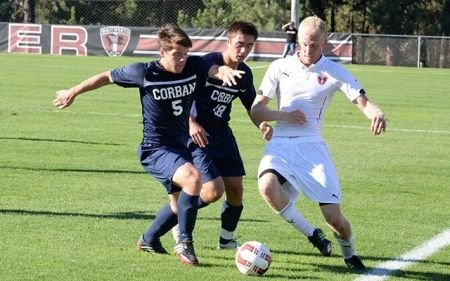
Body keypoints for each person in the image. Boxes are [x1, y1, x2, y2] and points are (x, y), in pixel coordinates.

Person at [52, 23, 244, 266]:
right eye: (177, 54)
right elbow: (106, 76)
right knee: (194, 179)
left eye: (185, 53)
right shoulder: (143, 72)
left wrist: (222, 72)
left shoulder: (193, 65)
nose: (183, 59)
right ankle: (184, 243)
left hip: (180, 147)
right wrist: (73, 91)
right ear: (162, 52)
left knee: (177, 206)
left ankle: (149, 238)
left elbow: (212, 68)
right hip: (155, 149)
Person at [251, 16, 386, 271]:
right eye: (303, 44)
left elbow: (364, 103)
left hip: (312, 148)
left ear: (325, 42)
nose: (307, 50)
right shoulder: (279, 67)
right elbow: (256, 110)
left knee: (335, 219)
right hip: (281, 144)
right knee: (267, 187)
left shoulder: (334, 72)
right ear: (297, 40)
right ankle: (313, 235)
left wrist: (377, 113)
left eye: (314, 45)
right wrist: (280, 117)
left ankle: (349, 253)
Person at [171, 21, 270, 249]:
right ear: (228, 42)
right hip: (198, 135)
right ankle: (177, 220)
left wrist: (263, 124)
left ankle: (226, 240)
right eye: (239, 44)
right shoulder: (205, 64)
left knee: (236, 190)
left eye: (249, 45)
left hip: (222, 134)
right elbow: (178, 97)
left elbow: (252, 107)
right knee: (214, 191)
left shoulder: (244, 73)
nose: (243, 50)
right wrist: (191, 123)